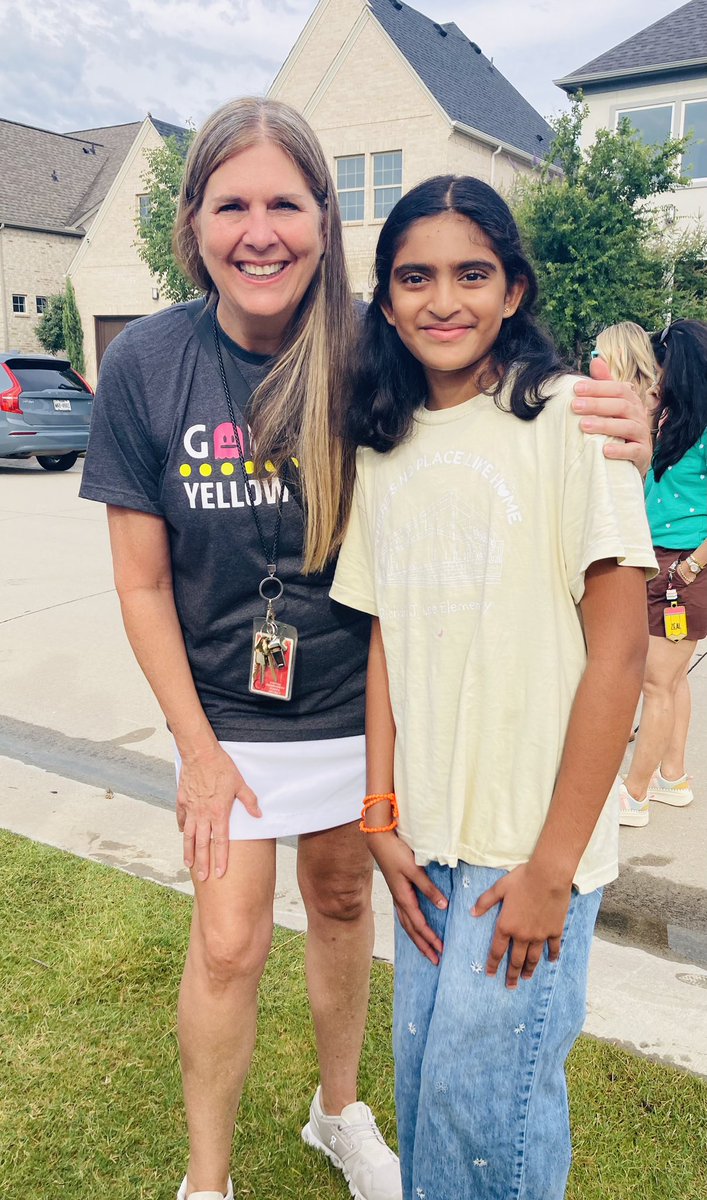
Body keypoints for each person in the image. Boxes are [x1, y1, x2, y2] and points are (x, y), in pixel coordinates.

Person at [78, 97, 653, 1200]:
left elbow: (495, 388)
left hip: (359, 700)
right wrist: (195, 752)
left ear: (323, 220)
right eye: (231, 205)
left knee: (343, 905)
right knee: (229, 939)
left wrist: (621, 422)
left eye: (285, 204)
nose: (259, 232)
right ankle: (208, 1181)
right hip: (227, 710)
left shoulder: (367, 339)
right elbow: (140, 581)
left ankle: (338, 1111)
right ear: (192, 220)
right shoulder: (149, 360)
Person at [330, 175, 657, 1200]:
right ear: (384, 301)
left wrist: (553, 866)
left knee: (487, 1119)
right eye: (413, 278)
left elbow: (619, 655)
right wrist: (379, 813)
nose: (443, 301)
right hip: (426, 841)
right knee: (427, 1090)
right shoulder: (382, 443)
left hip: (529, 846)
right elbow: (385, 638)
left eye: (471, 274)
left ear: (512, 290)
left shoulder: (572, 421)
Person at [619, 319, 707, 826]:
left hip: (686, 566)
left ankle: (634, 795)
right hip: (661, 561)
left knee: (655, 684)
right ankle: (672, 777)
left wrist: (693, 565)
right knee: (671, 681)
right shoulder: (675, 417)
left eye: (663, 364)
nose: (657, 372)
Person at [594, 321, 660, 436]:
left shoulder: (599, 408)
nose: (594, 362)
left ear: (618, 356)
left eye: (596, 355)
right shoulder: (663, 405)